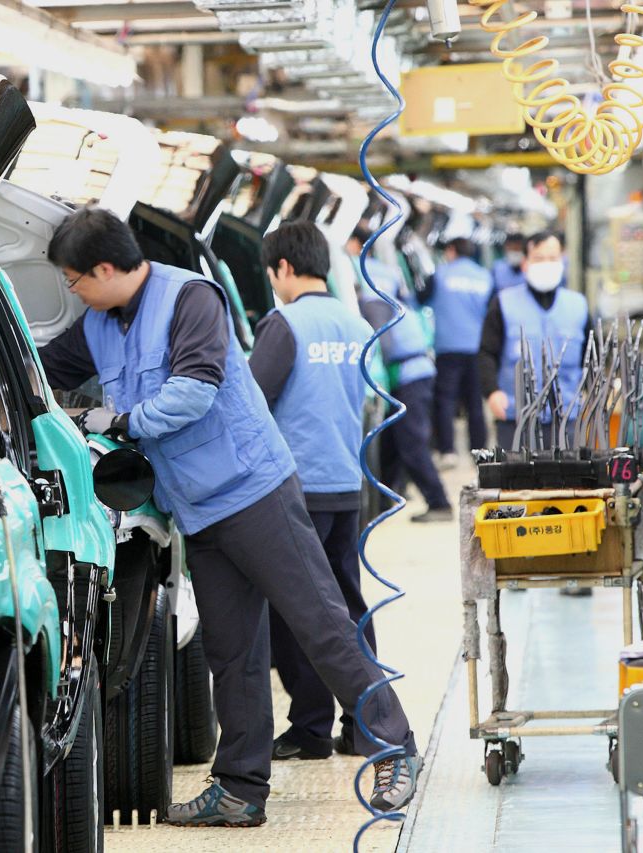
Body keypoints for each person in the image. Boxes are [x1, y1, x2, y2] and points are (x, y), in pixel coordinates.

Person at [37, 207, 421, 826]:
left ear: (104, 269)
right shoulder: (98, 324)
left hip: (254, 491)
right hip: (195, 508)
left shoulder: (191, 297)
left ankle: (392, 746)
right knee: (232, 649)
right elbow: (43, 370)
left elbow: (196, 387)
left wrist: (121, 422)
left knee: (319, 622)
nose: (73, 291)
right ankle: (240, 789)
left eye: (75, 280)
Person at [248, 222, 378, 763]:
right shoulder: (355, 322)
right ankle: (365, 724)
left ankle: (309, 729)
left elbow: (251, 400)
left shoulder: (283, 324)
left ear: (282, 268)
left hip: (296, 490)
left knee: (297, 613)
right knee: (349, 607)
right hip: (348, 483)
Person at [346, 230, 452, 523]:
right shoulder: (382, 273)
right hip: (414, 369)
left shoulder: (366, 280)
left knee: (411, 443)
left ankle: (439, 502)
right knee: (392, 441)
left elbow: (383, 340)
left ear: (355, 244)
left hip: (409, 373)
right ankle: (385, 500)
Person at [478, 231, 590, 452]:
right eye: (539, 259)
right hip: (515, 419)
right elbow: (486, 353)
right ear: (525, 263)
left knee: (569, 483)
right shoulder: (503, 304)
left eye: (552, 258)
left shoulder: (578, 306)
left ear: (563, 260)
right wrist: (491, 391)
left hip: (568, 418)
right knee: (517, 483)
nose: (546, 264)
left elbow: (591, 355)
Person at [426, 237, 492, 465]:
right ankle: (480, 451)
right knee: (475, 401)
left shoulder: (440, 275)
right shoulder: (484, 276)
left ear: (452, 251)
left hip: (447, 346)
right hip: (476, 346)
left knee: (445, 400)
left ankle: (447, 451)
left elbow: (423, 302)